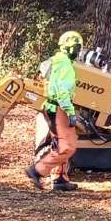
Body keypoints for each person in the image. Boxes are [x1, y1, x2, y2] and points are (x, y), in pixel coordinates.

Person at [28, 29, 84, 192]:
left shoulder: (57, 61)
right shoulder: (65, 65)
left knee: (61, 144)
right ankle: (36, 171)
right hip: (59, 107)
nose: (79, 51)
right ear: (70, 48)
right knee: (66, 147)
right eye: (77, 48)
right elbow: (62, 92)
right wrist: (70, 112)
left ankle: (60, 179)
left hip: (52, 106)